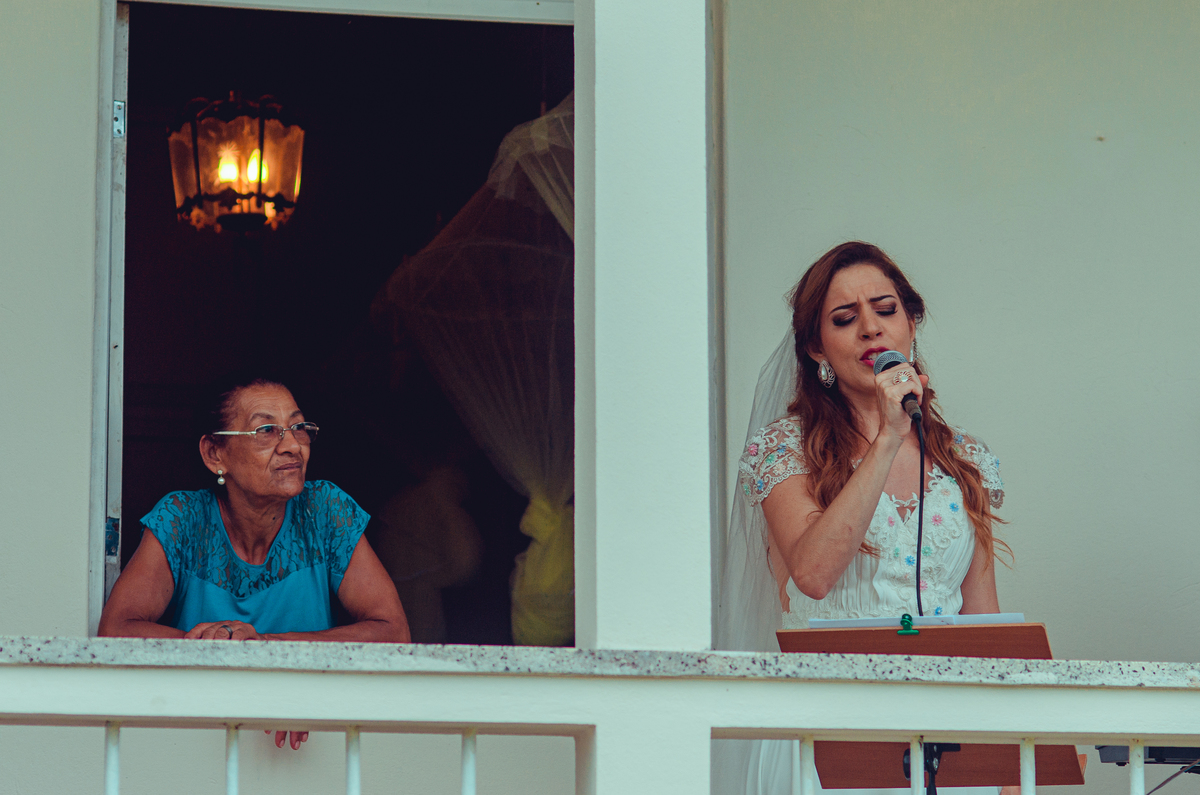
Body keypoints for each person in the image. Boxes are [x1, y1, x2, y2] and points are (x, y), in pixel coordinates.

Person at [714, 242, 1009, 794]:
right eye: (845, 319)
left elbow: (983, 622)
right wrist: (888, 438)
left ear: (912, 324)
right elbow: (814, 574)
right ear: (816, 349)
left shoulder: (965, 463)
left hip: (948, 745)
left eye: (886, 309)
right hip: (829, 735)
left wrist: (1009, 768)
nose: (871, 329)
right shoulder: (784, 451)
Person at [99, 377, 410, 749]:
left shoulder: (325, 511)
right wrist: (221, 649)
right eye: (267, 431)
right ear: (215, 454)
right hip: (194, 745)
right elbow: (116, 630)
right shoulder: (182, 519)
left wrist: (266, 648)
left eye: (298, 428)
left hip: (308, 754)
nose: (292, 446)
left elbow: (392, 633)